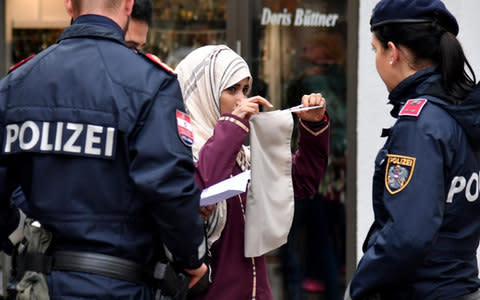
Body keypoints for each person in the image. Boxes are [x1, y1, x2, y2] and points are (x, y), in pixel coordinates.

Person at [0, 0, 207, 299]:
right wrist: (193, 258)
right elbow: (169, 188)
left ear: (69, 5)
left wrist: (18, 233)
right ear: (128, 4)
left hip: (39, 285)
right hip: (121, 285)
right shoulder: (151, 84)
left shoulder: (18, 84)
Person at [346, 0, 480, 299]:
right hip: (459, 286)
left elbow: (407, 237)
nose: (376, 59)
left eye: (375, 50)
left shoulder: (420, 124)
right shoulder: (461, 111)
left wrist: (360, 286)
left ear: (393, 52)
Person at [175, 45, 330, 299]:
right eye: (232, 89)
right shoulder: (180, 153)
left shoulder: (241, 157)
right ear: (206, 92)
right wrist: (232, 128)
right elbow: (200, 191)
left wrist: (313, 126)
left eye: (245, 90)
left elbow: (301, 181)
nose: (242, 100)